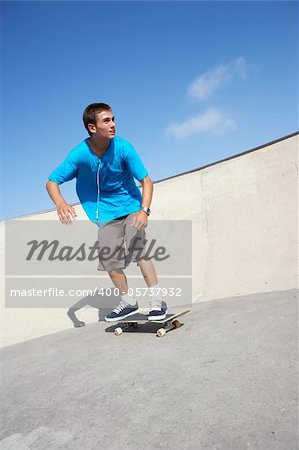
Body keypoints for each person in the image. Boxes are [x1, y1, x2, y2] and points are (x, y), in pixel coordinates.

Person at [46, 102, 167, 321]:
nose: (113, 125)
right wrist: (61, 203)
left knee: (138, 248)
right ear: (92, 128)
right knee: (111, 260)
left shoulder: (123, 147)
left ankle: (157, 300)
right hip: (105, 216)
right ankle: (128, 302)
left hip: (131, 207)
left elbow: (147, 181)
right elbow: (52, 181)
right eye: (106, 121)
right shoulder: (80, 154)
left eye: (113, 119)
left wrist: (144, 211)